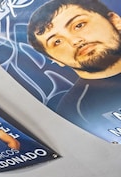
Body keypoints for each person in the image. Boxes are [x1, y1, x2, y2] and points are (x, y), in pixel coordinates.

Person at [27, 0, 121, 129]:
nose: (75, 41)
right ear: (55, 60)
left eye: (79, 25)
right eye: (57, 41)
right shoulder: (76, 111)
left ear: (114, 20)